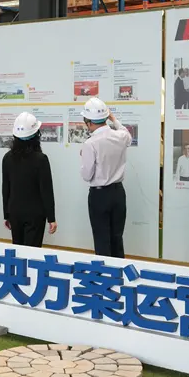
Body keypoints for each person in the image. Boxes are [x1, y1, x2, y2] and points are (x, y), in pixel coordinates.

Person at [79, 98, 132, 258]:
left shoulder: (90, 144)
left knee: (102, 241)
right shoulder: (120, 136)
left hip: (99, 195)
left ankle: (104, 272)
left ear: (89, 122)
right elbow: (127, 134)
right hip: (118, 193)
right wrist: (113, 119)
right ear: (105, 117)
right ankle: (119, 271)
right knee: (117, 238)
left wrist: (84, 157)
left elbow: (87, 175)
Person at [1, 112, 57, 247]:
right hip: (35, 214)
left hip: (14, 212)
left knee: (17, 250)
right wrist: (51, 218)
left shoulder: (7, 158)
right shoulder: (41, 159)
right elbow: (46, 190)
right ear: (36, 135)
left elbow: (5, 189)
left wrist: (6, 215)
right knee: (32, 251)